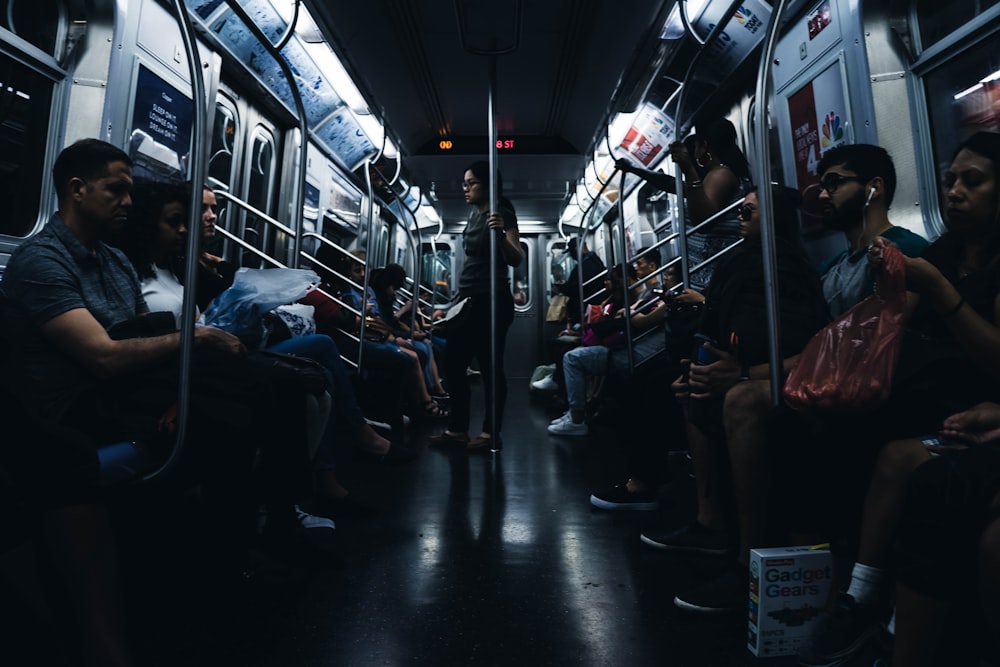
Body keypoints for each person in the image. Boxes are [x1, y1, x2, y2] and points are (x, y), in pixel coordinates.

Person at [0, 140, 331, 572]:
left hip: (131, 386)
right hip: (81, 403)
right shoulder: (42, 262)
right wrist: (196, 339)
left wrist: (188, 343)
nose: (128, 201)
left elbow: (144, 333)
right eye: (116, 189)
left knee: (275, 386)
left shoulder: (115, 260)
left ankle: (269, 523)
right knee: (236, 410)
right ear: (77, 189)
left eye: (130, 191)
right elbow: (102, 358)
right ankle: (242, 540)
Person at [796, 131, 1000, 664]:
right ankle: (856, 596)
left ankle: (876, 610)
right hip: (927, 390)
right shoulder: (942, 253)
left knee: (895, 456)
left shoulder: (950, 267)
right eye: (950, 181)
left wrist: (937, 290)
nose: (954, 192)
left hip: (968, 400)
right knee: (828, 428)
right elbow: (895, 332)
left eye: (972, 182)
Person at [653, 184, 830, 613]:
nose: (741, 215)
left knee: (737, 399)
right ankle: (710, 522)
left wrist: (744, 372)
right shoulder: (752, 262)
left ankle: (745, 560)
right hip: (770, 367)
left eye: (751, 210)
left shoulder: (776, 265)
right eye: (742, 208)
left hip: (801, 374)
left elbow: (808, 346)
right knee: (692, 382)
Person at [429, 160, 522, 451]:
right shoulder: (473, 216)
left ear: (488, 185)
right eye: (464, 183)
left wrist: (499, 234)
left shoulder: (501, 213)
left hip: (491, 301)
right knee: (454, 364)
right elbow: (470, 264)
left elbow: (515, 257)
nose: (466, 189)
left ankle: (490, 434)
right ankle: (458, 429)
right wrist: (454, 303)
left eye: (471, 183)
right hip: (469, 301)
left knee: (490, 367)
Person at [548, 248, 670, 438]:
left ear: (653, 266)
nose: (636, 267)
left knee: (572, 357)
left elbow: (637, 319)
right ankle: (575, 411)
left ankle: (577, 418)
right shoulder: (644, 293)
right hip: (626, 345)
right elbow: (629, 314)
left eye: (639, 263)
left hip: (631, 351)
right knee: (569, 349)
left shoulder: (656, 294)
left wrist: (629, 313)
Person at [554, 237, 606, 329]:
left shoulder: (588, 264)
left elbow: (578, 287)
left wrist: (564, 287)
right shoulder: (592, 261)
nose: (572, 256)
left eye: (572, 252)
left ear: (576, 249)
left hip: (585, 310)